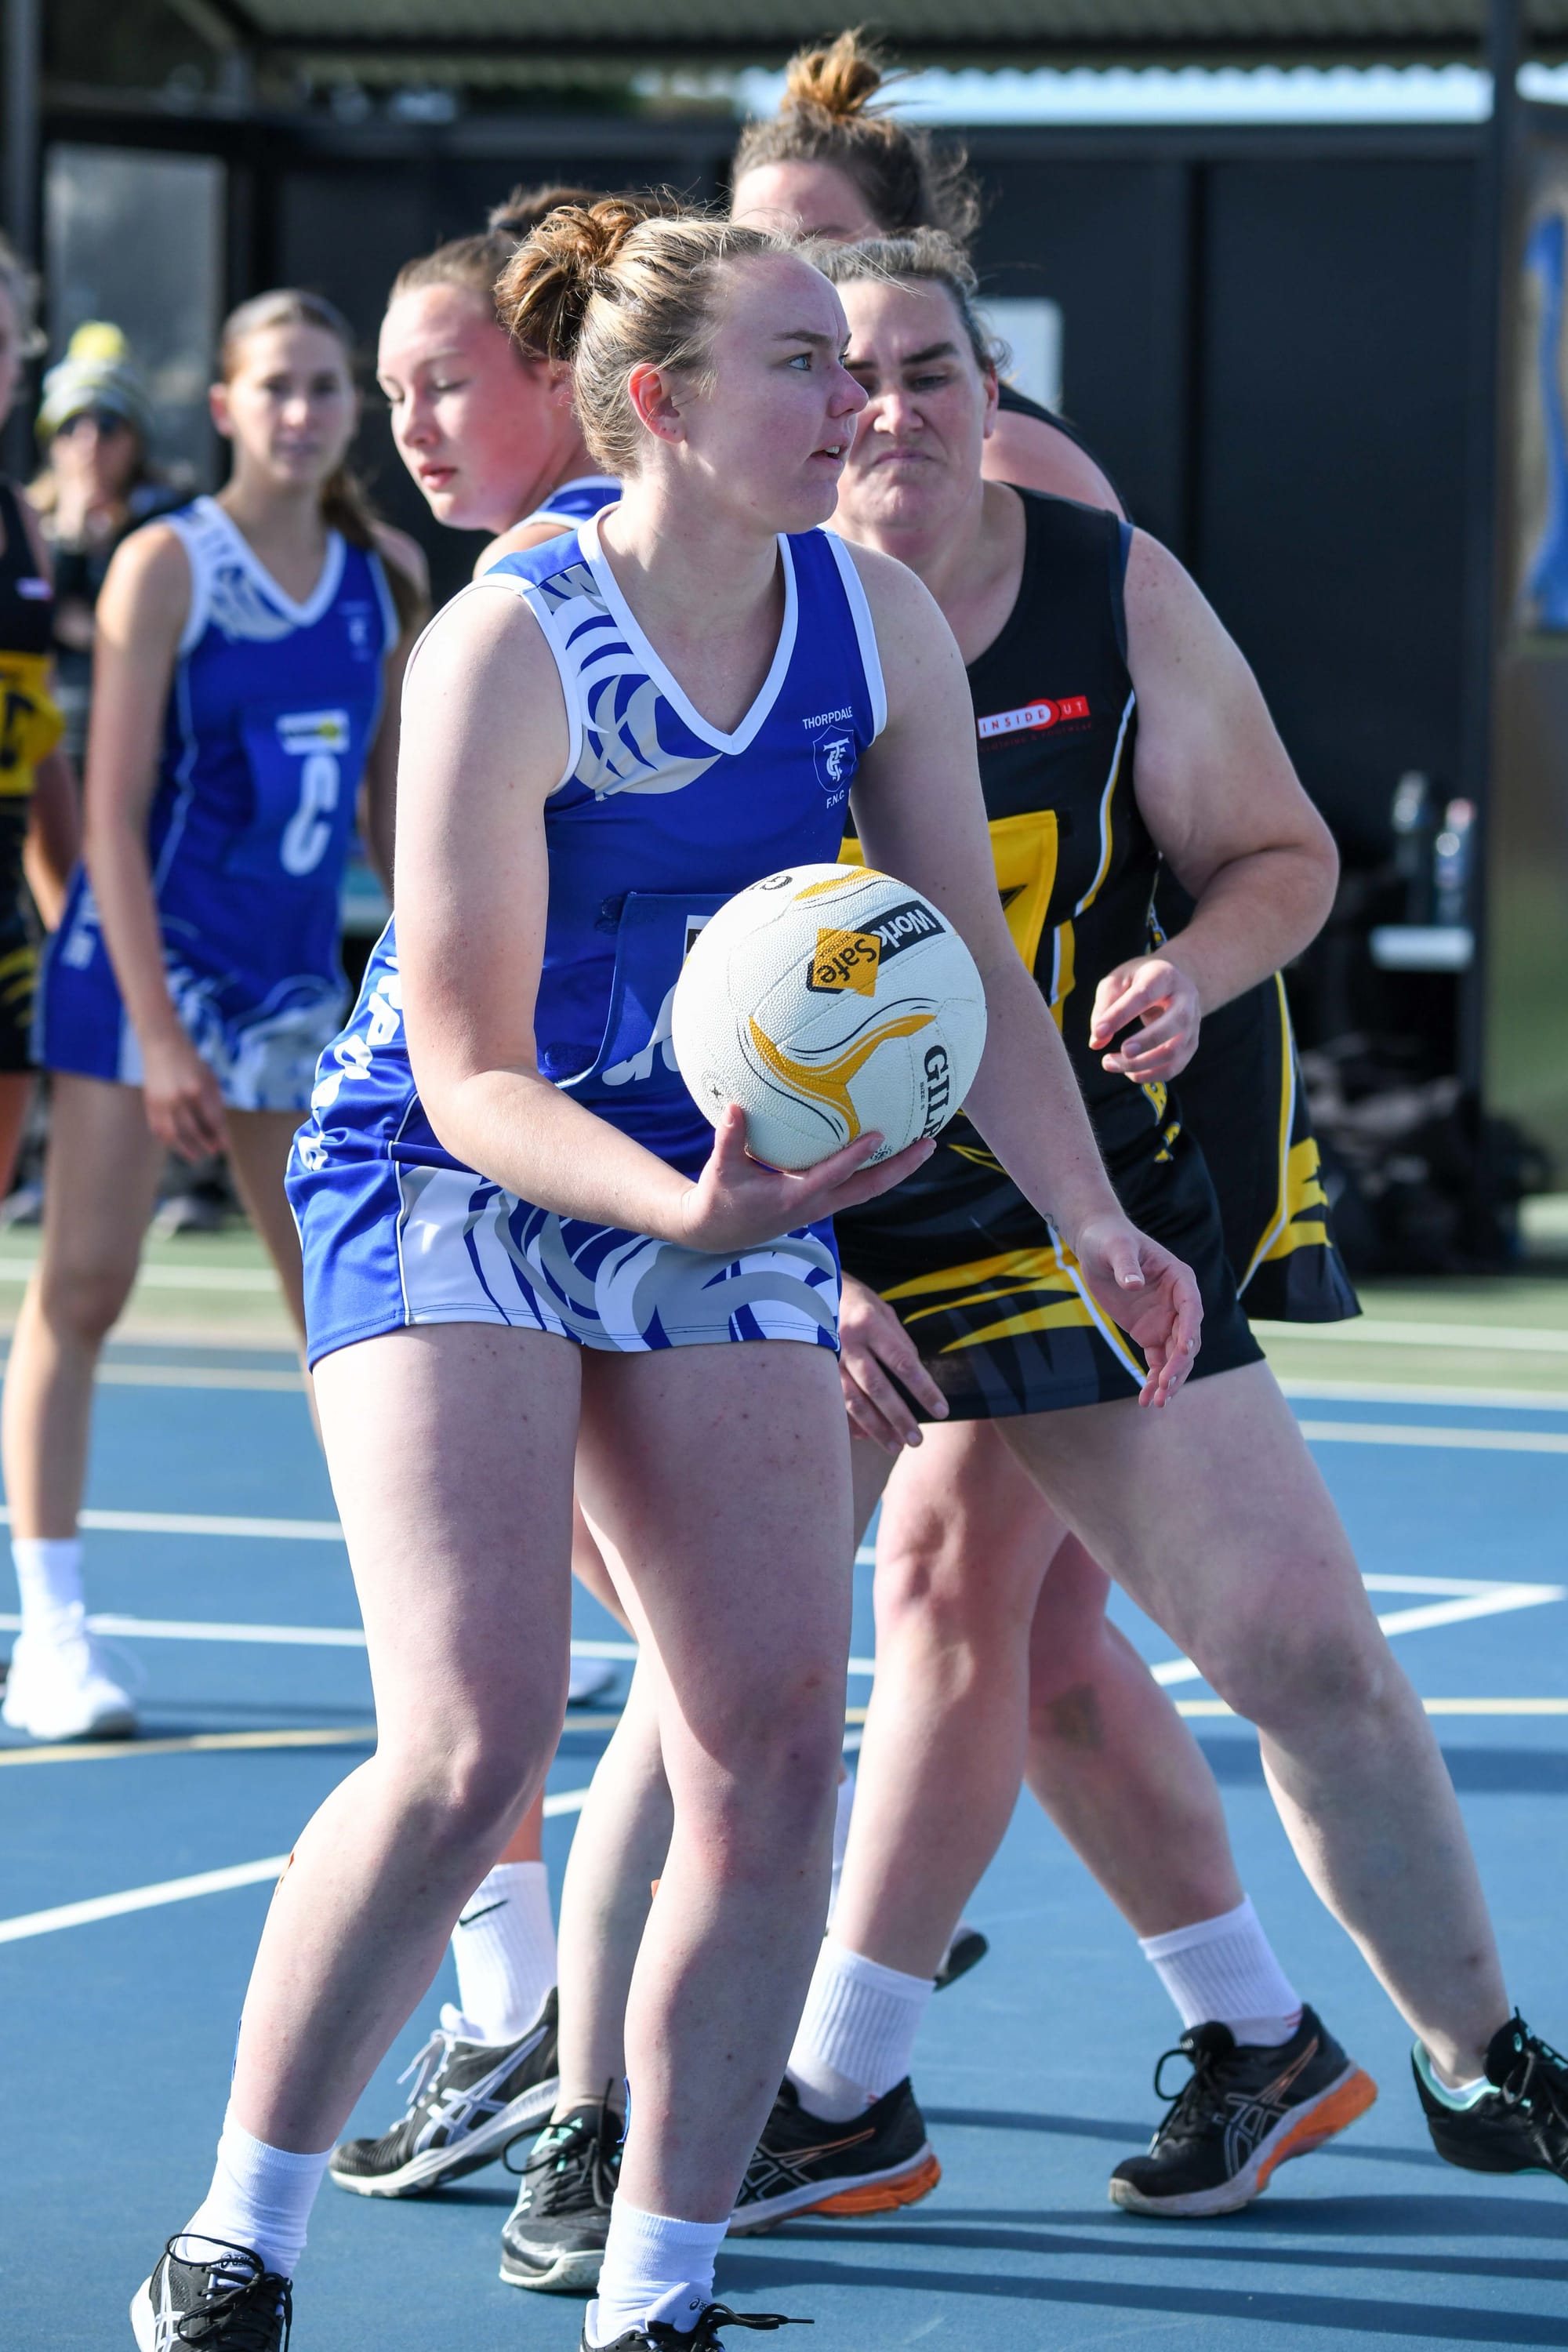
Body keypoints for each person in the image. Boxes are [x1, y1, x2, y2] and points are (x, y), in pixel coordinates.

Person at [126, 200, 1200, 2352]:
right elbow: (469, 1065)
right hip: (458, 1173)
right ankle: (236, 2244)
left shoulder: (871, 621)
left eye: (867, 366)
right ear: (662, 404)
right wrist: (684, 1214)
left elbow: (969, 968)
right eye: (804, 363)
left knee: (774, 1742)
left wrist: (1089, 1211)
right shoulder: (511, 643)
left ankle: (656, 2291)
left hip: (719, 1187)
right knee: (471, 1740)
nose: (858, 403)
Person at [743, 227, 1568, 2231]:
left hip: (1073, 1191)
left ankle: (1478, 2057)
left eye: (930, 372)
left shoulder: (1104, 587)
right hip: (789, 1214)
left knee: (1287, 1642)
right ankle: (651, 2087)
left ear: (992, 392)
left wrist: (1190, 967)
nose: (888, 410)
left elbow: (1281, 852)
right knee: (751, 1695)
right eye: (847, 371)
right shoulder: (722, 614)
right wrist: (796, 1265)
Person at [325, 187, 639, 2203]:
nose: (411, 428)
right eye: (391, 397)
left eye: (444, 383)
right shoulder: (525, 598)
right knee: (502, 1666)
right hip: (482, 1150)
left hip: (552, 1153)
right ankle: (528, 2007)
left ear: (558, 376)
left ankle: (561, 2009)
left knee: (624, 1658)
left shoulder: (611, 584)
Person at [0, 289, 426, 1747]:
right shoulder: (167, 565)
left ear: (353, 408)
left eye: (326, 386)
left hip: (293, 986)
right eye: (276, 387)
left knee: (351, 1317)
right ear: (228, 407)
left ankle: (433, 1631)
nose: (303, 412)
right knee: (84, 1287)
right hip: (144, 973)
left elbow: (393, 817)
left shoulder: (384, 575)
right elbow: (110, 819)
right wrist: (163, 1034)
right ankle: (53, 1631)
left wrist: (434, 980)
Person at [29, 321, 182, 769]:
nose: (89, 443)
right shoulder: (24, 521)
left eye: (109, 424)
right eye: (70, 425)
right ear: (50, 442)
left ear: (137, 440)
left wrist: (97, 627)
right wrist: (70, 537)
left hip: (148, 745)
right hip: (50, 749)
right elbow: (30, 624)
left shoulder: (169, 521)